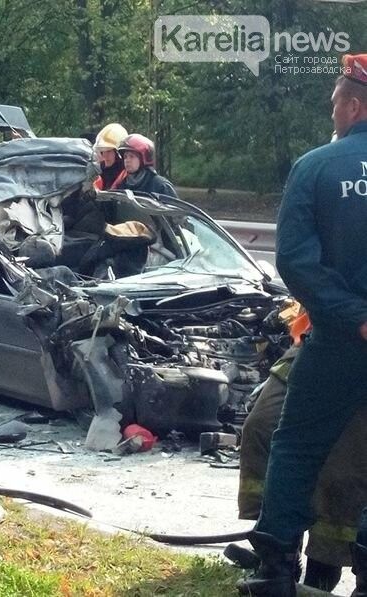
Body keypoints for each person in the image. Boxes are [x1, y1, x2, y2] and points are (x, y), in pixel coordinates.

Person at [237, 53, 367, 596]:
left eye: (335, 103)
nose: (331, 112)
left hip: (337, 341)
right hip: (340, 334)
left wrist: (356, 318)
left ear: (353, 106)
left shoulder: (317, 167)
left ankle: (275, 569)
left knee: (295, 444)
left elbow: (294, 261)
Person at [237, 310, 367, 592]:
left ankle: (322, 570)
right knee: (261, 427)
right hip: (320, 338)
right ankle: (277, 555)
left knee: (343, 467)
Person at [93, 123, 128, 191]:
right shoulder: (99, 171)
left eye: (109, 151)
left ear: (118, 153)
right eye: (103, 151)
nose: (105, 155)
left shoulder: (126, 176)